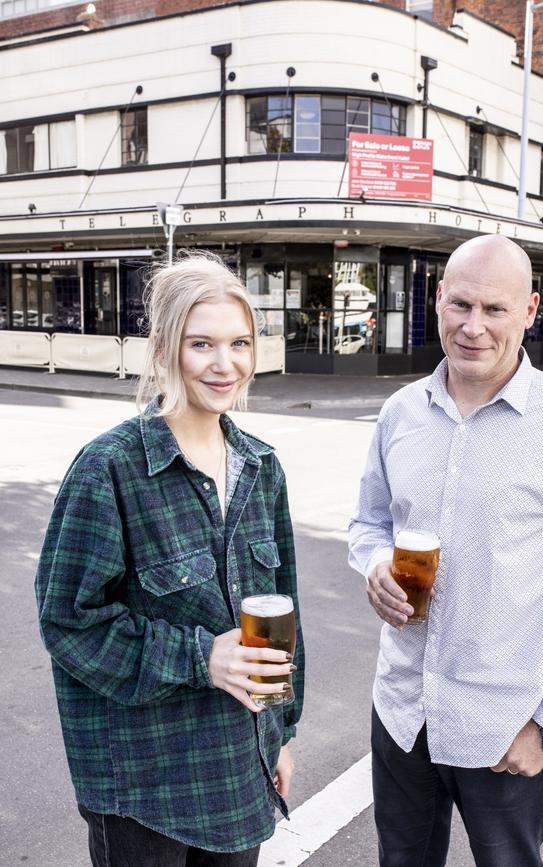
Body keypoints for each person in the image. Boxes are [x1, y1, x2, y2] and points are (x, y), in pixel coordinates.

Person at [349, 234, 543, 867]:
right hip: (403, 713)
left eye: (495, 309)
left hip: (507, 727)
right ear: (437, 300)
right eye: (461, 305)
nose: (473, 327)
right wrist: (374, 562)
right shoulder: (400, 414)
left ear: (531, 309)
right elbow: (369, 522)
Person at [35, 252, 304, 867]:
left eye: (240, 343)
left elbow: (285, 618)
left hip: (240, 774)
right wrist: (200, 656)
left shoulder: (262, 469)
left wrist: (281, 734)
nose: (224, 363)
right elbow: (68, 622)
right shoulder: (109, 469)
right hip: (144, 785)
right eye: (201, 343)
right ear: (163, 352)